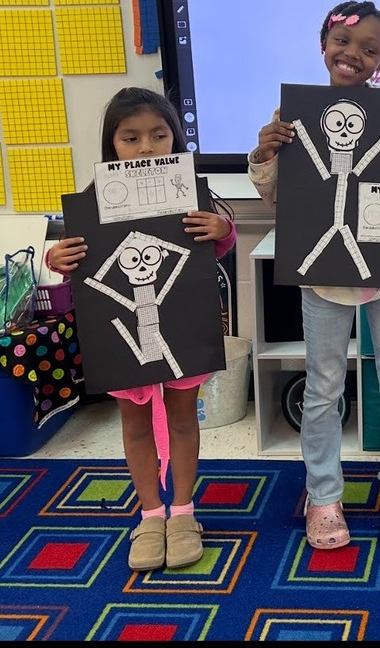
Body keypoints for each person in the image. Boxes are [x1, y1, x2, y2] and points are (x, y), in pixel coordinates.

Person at [248, 0, 380, 549]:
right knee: (323, 387)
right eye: (343, 42)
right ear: (323, 44)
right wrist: (264, 155)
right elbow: (276, 197)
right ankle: (323, 494)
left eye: (369, 48)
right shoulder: (290, 117)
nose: (353, 55)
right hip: (321, 271)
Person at [45, 87, 237, 571]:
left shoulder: (192, 194)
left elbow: (213, 247)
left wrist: (223, 232)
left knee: (182, 416)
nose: (146, 147)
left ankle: (184, 512)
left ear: (175, 138)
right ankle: (151, 513)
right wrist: (57, 258)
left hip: (180, 329)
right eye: (130, 138)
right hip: (120, 334)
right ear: (113, 145)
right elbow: (77, 263)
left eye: (158, 134)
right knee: (133, 423)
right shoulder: (93, 203)